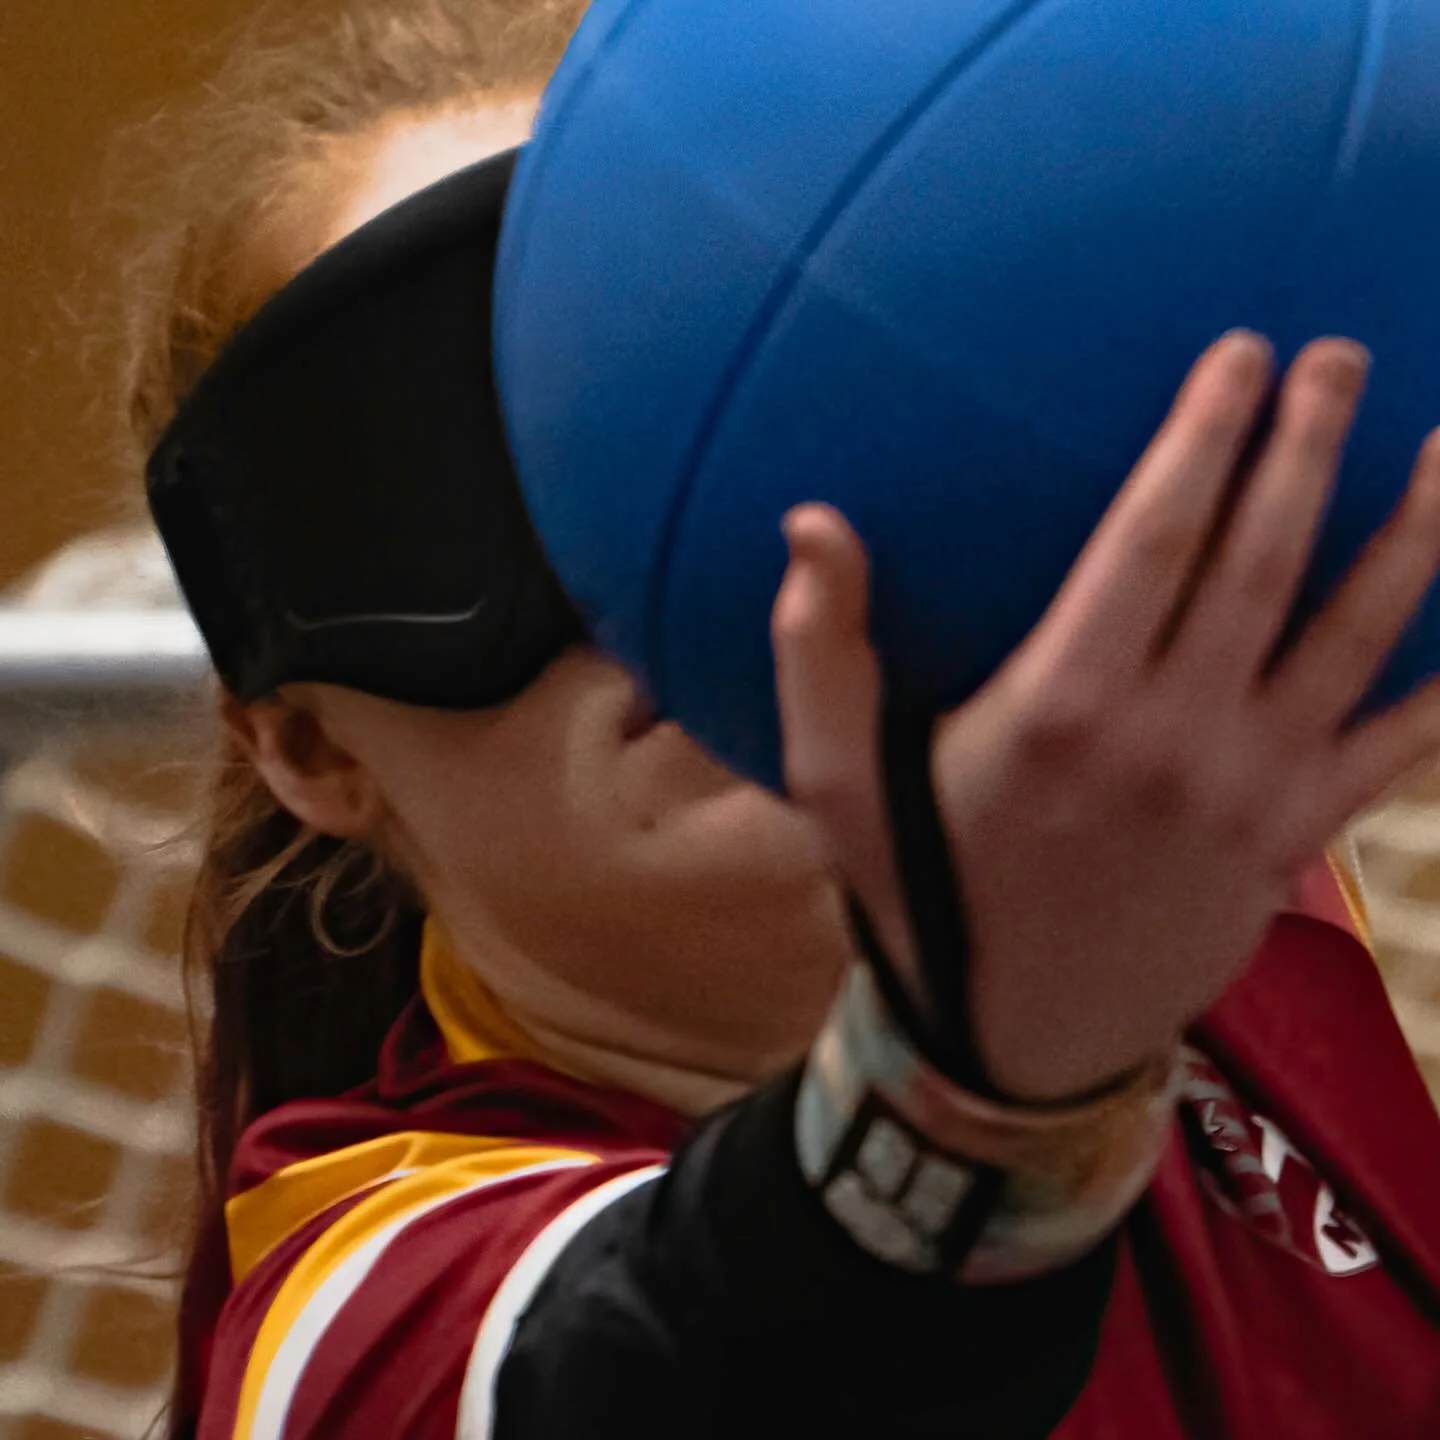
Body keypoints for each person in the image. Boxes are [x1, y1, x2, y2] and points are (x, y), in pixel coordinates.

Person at [111, 2, 1440, 1436]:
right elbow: (685, 1370)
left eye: (767, 397)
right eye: (501, 463)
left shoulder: (1219, 889)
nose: (670, 576)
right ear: (306, 746)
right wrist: (991, 1083)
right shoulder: (366, 1331)